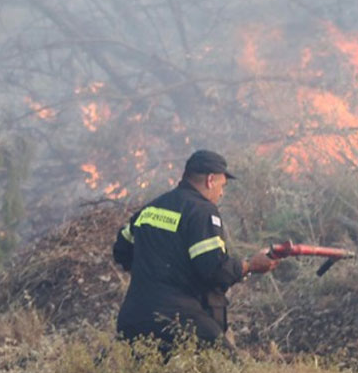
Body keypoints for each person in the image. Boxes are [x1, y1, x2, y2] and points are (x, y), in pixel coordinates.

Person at [113, 149, 278, 350]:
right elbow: (214, 269)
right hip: (179, 319)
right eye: (222, 185)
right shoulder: (201, 211)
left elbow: (121, 250)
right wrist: (250, 265)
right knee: (227, 368)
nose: (221, 193)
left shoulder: (151, 208)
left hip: (134, 318)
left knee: (138, 370)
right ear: (210, 180)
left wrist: (154, 274)